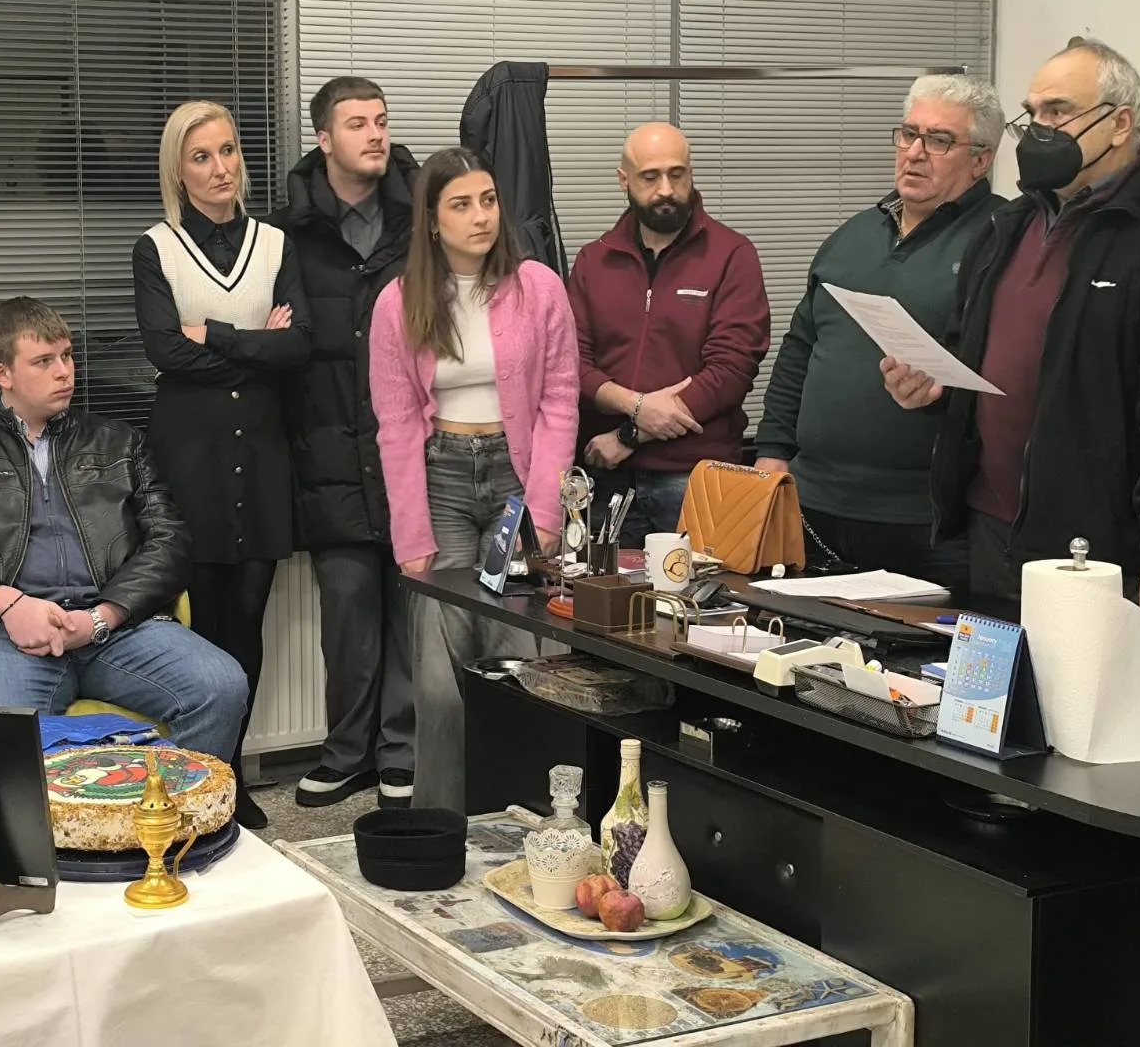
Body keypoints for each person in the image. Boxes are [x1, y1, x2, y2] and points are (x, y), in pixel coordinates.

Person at [0, 297, 249, 768]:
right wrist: (9, 604)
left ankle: (169, 812)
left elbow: (170, 542)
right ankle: (59, 818)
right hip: (12, 637)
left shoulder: (119, 443)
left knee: (222, 686)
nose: (64, 372)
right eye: (43, 361)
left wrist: (102, 616)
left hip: (117, 630)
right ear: (3, 374)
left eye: (67, 356)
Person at [883, 39, 1140, 612]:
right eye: (1032, 113)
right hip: (990, 528)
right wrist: (932, 388)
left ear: (1120, 124)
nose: (1038, 130)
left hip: (1103, 551)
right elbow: (969, 353)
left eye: (1058, 111)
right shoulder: (1008, 226)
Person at [370, 147, 579, 812]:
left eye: (488, 200)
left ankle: (530, 820)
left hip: (518, 480)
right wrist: (411, 535)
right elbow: (396, 422)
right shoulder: (398, 302)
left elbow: (560, 399)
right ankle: (441, 822)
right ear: (432, 221)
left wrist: (544, 511)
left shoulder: (539, 287)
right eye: (461, 205)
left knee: (521, 655)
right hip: (444, 483)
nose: (481, 216)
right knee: (441, 670)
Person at [131, 101, 310, 829]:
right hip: (190, 453)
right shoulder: (157, 247)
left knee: (248, 617)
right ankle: (202, 775)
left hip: (261, 453)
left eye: (229, 150)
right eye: (201, 156)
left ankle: (230, 774)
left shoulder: (275, 244)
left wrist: (215, 335)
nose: (220, 167)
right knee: (202, 619)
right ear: (178, 170)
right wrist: (255, 345)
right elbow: (163, 351)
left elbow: (300, 347)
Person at [754, 75, 1006, 588]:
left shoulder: (1003, 239)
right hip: (814, 504)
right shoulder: (853, 235)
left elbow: (1014, 372)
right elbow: (800, 349)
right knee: (796, 638)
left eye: (939, 140)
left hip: (927, 522)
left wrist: (942, 393)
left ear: (981, 160)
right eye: (908, 134)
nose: (915, 153)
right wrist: (771, 453)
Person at [269, 77, 421, 811]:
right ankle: (346, 753)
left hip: (412, 451)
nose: (375, 134)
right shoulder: (285, 235)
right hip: (327, 448)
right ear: (324, 138)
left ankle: (403, 751)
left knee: (412, 611)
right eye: (356, 123)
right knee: (349, 611)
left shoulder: (423, 220)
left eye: (381, 120)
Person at [567, 124, 770, 545]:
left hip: (696, 478)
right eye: (650, 177)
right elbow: (573, 364)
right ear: (623, 180)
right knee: (604, 589)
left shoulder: (732, 255)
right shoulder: (594, 260)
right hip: (607, 480)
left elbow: (731, 370)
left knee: (701, 590)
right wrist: (637, 406)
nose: (666, 190)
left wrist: (630, 433)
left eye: (677, 174)